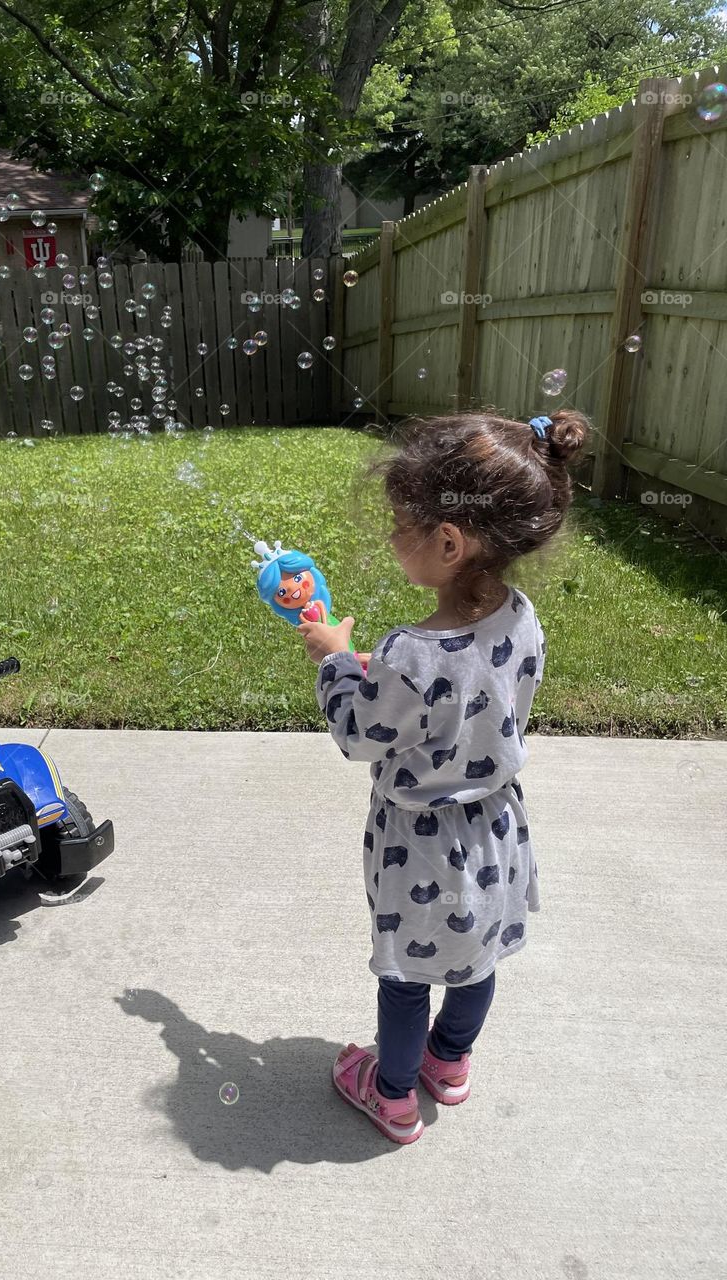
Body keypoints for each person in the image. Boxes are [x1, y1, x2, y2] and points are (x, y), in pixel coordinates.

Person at [297, 407, 588, 1145]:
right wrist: (387, 680)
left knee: (405, 975)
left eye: (400, 526)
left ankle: (392, 1094)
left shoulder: (410, 652)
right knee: (475, 957)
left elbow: (361, 734)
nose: (393, 539)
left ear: (449, 542)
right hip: (495, 828)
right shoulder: (522, 618)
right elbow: (469, 700)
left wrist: (335, 660)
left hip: (420, 845)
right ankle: (449, 1065)